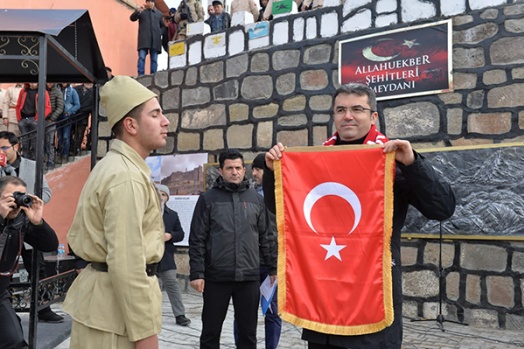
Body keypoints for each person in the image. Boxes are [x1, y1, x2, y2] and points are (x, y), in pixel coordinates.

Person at [263, 83, 456, 349]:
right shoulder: (314, 164)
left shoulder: (393, 160)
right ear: (334, 116)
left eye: (357, 109)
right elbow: (283, 210)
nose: (348, 116)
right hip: (324, 298)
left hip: (373, 297)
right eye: (340, 110)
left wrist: (414, 165)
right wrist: (274, 172)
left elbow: (442, 208)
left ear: (373, 116)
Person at [63, 75, 169, 349]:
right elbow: (126, 260)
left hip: (107, 310)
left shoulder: (118, 167)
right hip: (115, 319)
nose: (165, 121)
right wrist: (145, 333)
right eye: (155, 114)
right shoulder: (126, 177)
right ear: (131, 125)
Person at [189, 148, 277, 349]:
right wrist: (197, 272)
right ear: (221, 171)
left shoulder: (256, 199)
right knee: (210, 332)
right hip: (216, 277)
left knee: (248, 334)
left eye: (238, 168)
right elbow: (197, 238)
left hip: (248, 278)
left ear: (244, 170)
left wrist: (273, 268)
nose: (234, 172)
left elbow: (267, 236)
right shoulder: (208, 199)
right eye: (229, 168)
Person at [0, 131, 60, 323]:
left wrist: (27, 201)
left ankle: (43, 308)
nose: (1, 151)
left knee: (38, 269)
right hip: (5, 225)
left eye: (4, 147)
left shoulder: (32, 166)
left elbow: (47, 193)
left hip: (25, 224)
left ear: (15, 146)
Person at [0, 176, 58, 348]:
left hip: (0, 294)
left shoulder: (20, 220)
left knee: (14, 341)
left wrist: (38, 222)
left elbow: (49, 245)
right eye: (11, 196)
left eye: (21, 195)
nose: (17, 201)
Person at [233, 153, 282, 349]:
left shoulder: (278, 196)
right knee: (244, 313)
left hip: (270, 264)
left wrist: (274, 265)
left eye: (258, 169)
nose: (254, 173)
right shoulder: (247, 194)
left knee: (272, 312)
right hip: (249, 264)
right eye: (252, 169)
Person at [155, 184, 191, 327]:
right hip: (147, 256)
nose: (161, 198)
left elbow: (181, 234)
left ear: (167, 198)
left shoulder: (173, 215)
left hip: (166, 256)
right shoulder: (144, 213)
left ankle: (180, 314)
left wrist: (170, 236)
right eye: (158, 194)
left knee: (172, 284)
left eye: (164, 195)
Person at [15, 83, 52, 160]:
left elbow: (48, 108)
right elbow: (18, 104)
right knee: (24, 143)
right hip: (23, 119)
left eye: (34, 82)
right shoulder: (23, 91)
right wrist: (19, 118)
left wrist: (38, 118)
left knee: (35, 142)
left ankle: (36, 163)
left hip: (34, 119)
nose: (32, 84)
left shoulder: (43, 92)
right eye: (31, 82)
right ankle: (25, 161)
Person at [130, 0, 165, 76]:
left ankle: (153, 75)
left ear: (153, 3)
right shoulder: (142, 12)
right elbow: (132, 18)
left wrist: (159, 32)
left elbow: (163, 27)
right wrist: (137, 11)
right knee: (141, 58)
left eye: (150, 2)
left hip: (155, 40)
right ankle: (141, 74)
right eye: (147, 1)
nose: (148, 3)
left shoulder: (159, 14)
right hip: (144, 39)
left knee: (154, 59)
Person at [57, 83, 80, 163]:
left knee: (66, 137)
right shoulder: (57, 90)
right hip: (58, 116)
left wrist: (70, 112)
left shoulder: (72, 91)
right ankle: (60, 153)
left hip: (67, 116)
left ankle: (65, 155)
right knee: (59, 137)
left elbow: (77, 105)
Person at [45, 83, 64, 168]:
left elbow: (60, 107)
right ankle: (43, 159)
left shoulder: (57, 92)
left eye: (50, 82)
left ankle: (51, 160)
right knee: (42, 141)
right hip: (40, 119)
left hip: (50, 120)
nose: (48, 84)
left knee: (50, 141)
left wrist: (52, 118)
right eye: (47, 82)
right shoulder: (42, 90)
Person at [73, 83, 93, 156]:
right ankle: (72, 149)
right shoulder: (76, 89)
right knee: (72, 134)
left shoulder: (93, 91)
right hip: (74, 115)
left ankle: (76, 149)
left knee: (80, 134)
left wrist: (81, 109)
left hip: (83, 116)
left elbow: (93, 106)